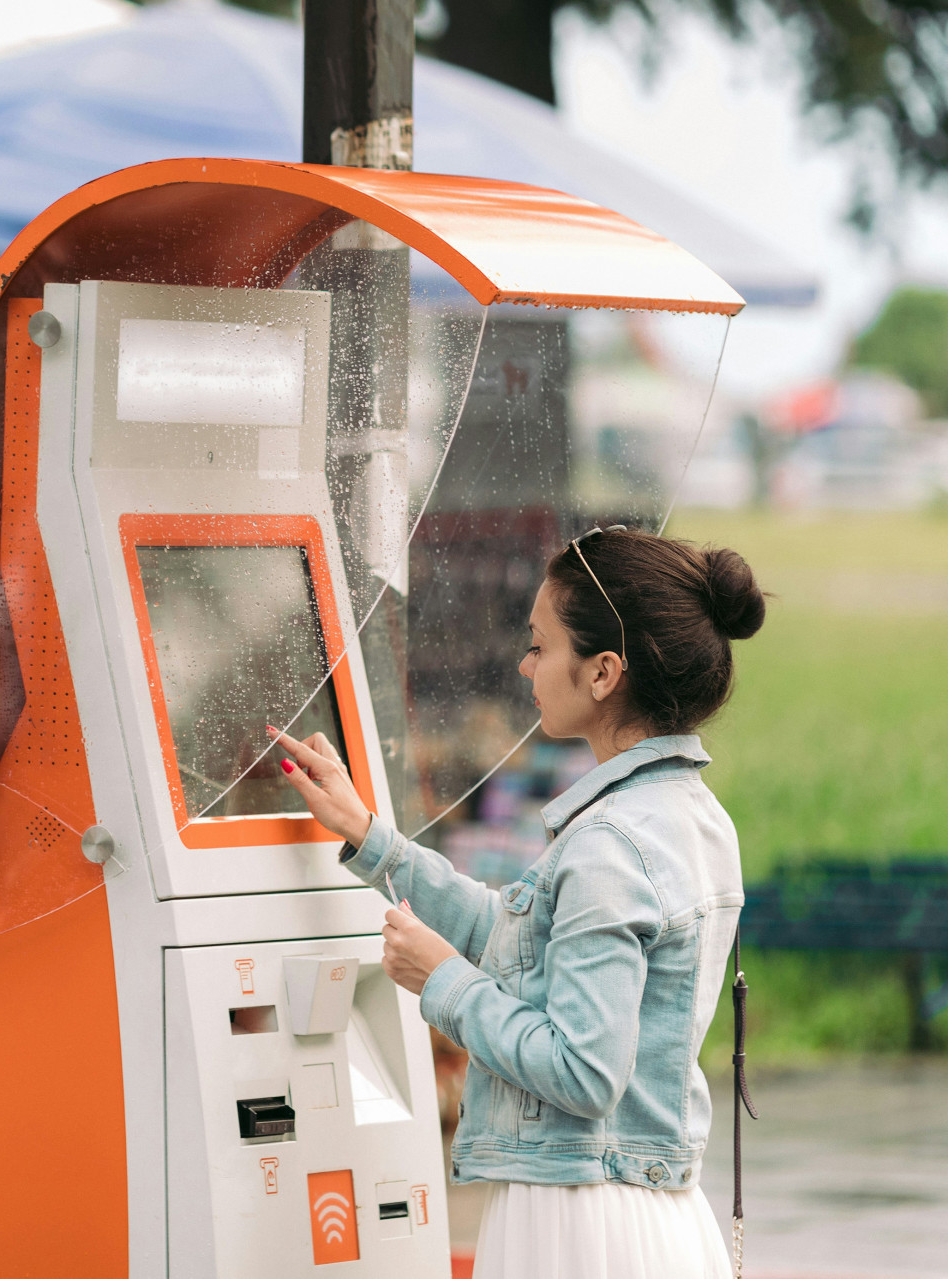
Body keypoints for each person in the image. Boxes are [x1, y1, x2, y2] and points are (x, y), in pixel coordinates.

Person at [267, 526, 767, 1279]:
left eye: (540, 645)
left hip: (578, 1220)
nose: (525, 664)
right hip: (648, 1211)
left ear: (603, 672)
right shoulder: (694, 817)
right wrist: (372, 837)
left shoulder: (610, 843)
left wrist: (443, 982)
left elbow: (584, 1071)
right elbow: (520, 940)